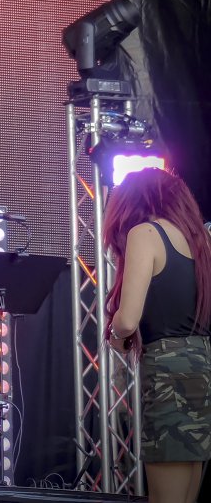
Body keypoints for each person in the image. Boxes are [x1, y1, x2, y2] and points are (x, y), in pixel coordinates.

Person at [103, 168, 211, 503]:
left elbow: (127, 320)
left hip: (168, 373)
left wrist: (115, 335)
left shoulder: (145, 233)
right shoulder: (202, 241)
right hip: (203, 366)